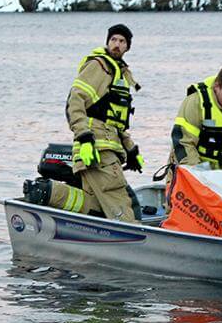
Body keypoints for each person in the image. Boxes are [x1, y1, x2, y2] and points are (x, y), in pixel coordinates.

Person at [24, 23, 144, 222]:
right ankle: (137, 244)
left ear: (127, 47)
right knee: (123, 204)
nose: (116, 44)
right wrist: (84, 137)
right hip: (97, 148)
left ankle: (46, 192)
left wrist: (131, 150)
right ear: (107, 42)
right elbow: (75, 100)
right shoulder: (100, 66)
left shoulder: (118, 74)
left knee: (94, 202)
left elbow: (115, 123)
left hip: (106, 148)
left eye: (122, 41)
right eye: (113, 39)